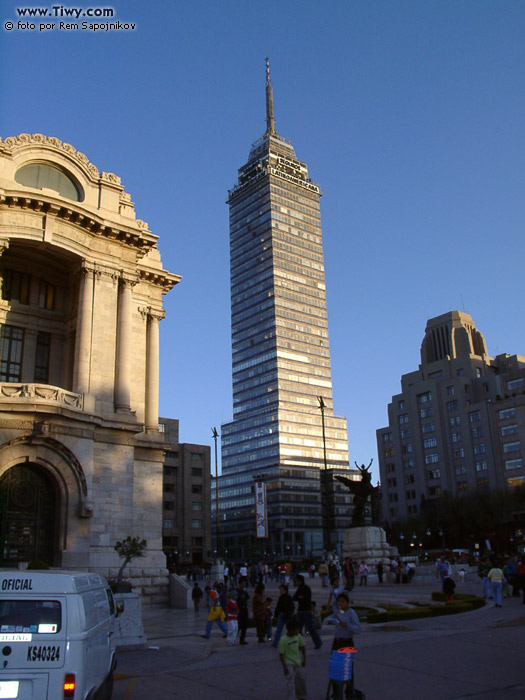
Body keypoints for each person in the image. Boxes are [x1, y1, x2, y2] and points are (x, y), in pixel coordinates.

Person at [328, 592, 362, 699]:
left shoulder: (351, 613)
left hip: (347, 642)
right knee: (335, 668)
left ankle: (349, 691)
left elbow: (358, 629)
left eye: (343, 601)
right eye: (339, 601)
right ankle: (336, 693)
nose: (340, 603)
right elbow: (330, 615)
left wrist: (347, 625)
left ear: (347, 602)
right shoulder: (338, 612)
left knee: (347, 668)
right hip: (337, 642)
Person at [278, 618, 307, 700]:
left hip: (298, 662)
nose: (298, 631)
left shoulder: (298, 636)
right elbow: (281, 654)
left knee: (301, 680)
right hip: (288, 663)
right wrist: (284, 667)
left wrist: (304, 658)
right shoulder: (283, 640)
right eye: (296, 630)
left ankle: (302, 697)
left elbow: (303, 647)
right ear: (291, 630)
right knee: (290, 682)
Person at [293, 575, 322, 649]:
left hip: (306, 611)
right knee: (298, 628)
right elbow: (295, 597)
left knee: (310, 628)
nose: (295, 582)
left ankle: (318, 642)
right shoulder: (299, 588)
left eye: (296, 581)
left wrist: (300, 597)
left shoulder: (306, 588)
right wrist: (300, 597)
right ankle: (299, 644)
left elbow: (306, 599)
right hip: (300, 611)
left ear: (300, 581)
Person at [272, 583, 295, 648]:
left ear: (285, 590)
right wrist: (275, 615)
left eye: (281, 589)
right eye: (280, 589)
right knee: (279, 629)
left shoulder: (288, 598)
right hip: (281, 615)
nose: (280, 591)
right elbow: (278, 607)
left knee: (289, 630)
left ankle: (292, 642)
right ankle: (275, 643)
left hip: (287, 615)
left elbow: (292, 607)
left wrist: (289, 613)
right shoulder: (281, 598)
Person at [236, 578, 250, 644]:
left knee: (245, 624)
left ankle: (242, 639)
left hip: (244, 609)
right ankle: (234, 638)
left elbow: (247, 599)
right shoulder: (237, 591)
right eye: (243, 583)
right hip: (239, 609)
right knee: (239, 625)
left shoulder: (244, 591)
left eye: (245, 584)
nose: (244, 585)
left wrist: (246, 607)